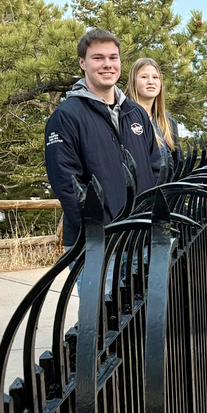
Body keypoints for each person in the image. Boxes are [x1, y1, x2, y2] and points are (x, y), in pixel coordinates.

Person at [45, 29, 161, 249]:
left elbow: (156, 169)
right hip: (97, 245)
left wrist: (149, 218)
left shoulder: (136, 113)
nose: (107, 64)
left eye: (113, 57)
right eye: (98, 58)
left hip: (142, 239)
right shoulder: (66, 116)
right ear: (82, 63)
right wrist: (98, 229)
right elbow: (67, 184)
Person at [125, 57, 180, 172]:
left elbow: (176, 165)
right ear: (133, 81)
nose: (151, 81)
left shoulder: (167, 121)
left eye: (155, 77)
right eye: (144, 77)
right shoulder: (123, 117)